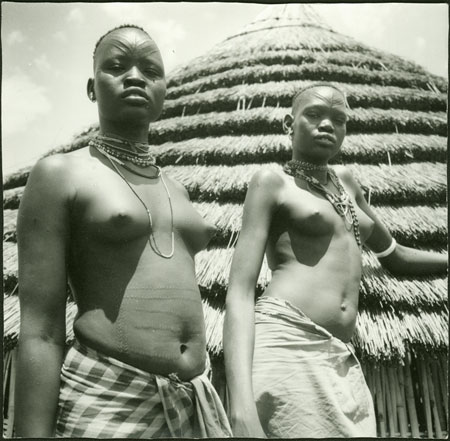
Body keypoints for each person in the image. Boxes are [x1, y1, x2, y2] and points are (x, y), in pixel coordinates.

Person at [15, 25, 231, 438]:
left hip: (194, 397)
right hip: (107, 394)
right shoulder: (60, 174)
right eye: (117, 66)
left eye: (150, 69)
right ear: (92, 87)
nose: (135, 76)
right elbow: (40, 331)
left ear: (164, 90)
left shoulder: (177, 189)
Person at [223, 83, 447, 438]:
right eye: (313, 115)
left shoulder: (347, 184)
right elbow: (239, 291)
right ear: (288, 124)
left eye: (339, 119)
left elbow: (397, 257)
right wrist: (240, 408)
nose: (327, 124)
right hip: (286, 341)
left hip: (341, 355)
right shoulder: (272, 183)